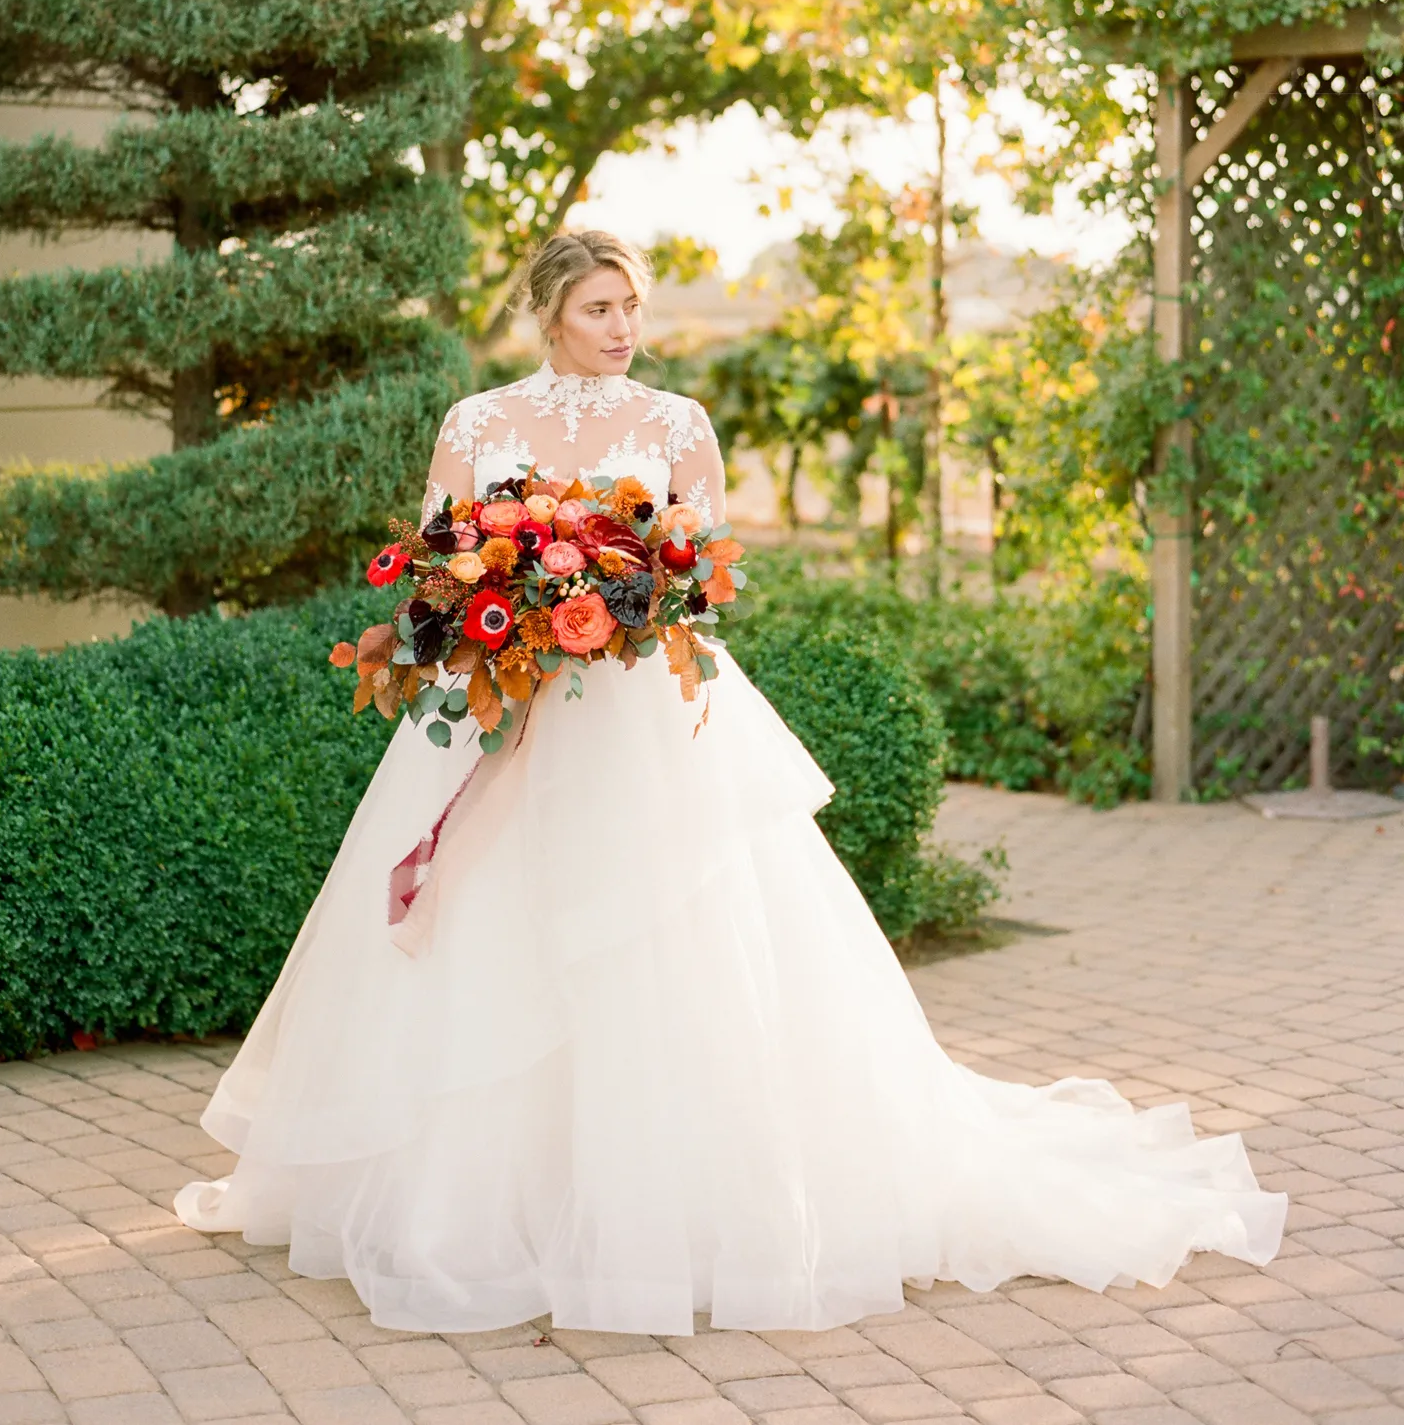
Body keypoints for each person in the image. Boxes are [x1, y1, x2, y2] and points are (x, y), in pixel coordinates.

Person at [176, 228, 1284, 1334]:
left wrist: (620, 609)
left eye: (631, 307)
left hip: (646, 724)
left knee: (664, 945)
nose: (623, 328)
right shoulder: (477, 422)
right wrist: (499, 614)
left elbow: (706, 578)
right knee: (495, 934)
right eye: (601, 307)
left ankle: (676, 1207)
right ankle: (472, 1200)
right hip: (506, 713)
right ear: (553, 309)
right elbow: (438, 566)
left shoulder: (675, 424)